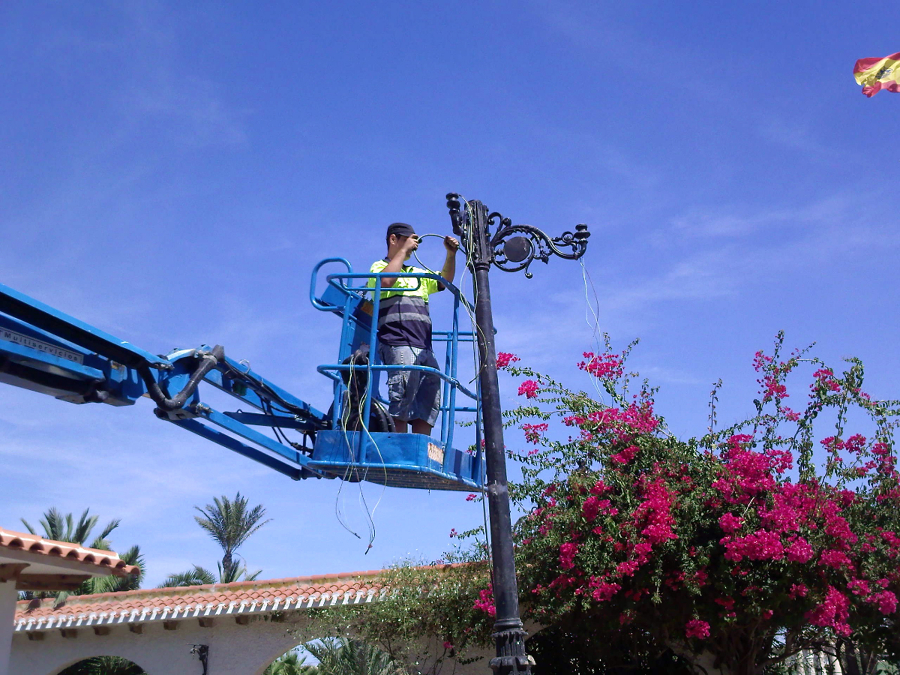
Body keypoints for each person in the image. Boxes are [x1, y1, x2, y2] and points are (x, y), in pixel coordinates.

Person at [368, 222, 459, 435]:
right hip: (399, 343)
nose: (414, 244)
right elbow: (386, 281)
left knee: (428, 402)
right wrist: (402, 251)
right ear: (393, 239)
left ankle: (420, 450)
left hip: (424, 348)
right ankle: (398, 449)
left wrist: (451, 254)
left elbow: (443, 281)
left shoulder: (416, 272)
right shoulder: (379, 268)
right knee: (402, 400)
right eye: (410, 239)